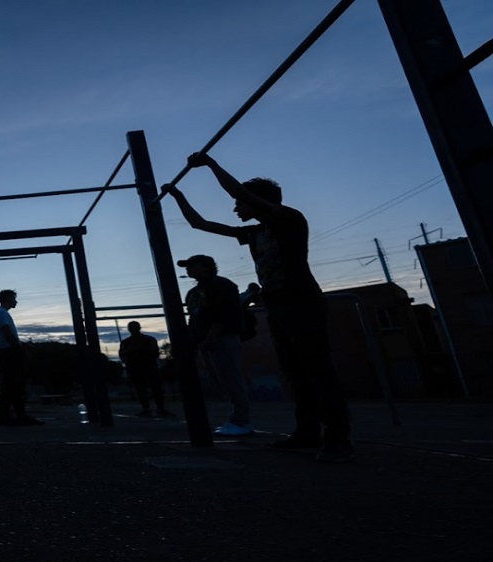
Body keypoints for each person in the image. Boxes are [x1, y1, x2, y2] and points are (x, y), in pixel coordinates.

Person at [163, 152, 352, 463]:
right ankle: (307, 433)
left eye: (242, 203)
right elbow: (200, 224)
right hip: (276, 304)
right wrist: (177, 194)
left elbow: (238, 192)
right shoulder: (253, 233)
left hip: (302, 301)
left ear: (258, 200)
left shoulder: (288, 219)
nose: (236, 207)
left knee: (318, 371)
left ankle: (338, 439)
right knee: (295, 373)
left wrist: (210, 164)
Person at [179, 255, 253, 436]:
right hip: (206, 341)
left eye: (192, 265)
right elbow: (194, 318)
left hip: (221, 338)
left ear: (205, 266)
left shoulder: (221, 285)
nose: (188, 269)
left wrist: (211, 336)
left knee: (231, 380)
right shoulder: (195, 292)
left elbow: (224, 314)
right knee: (223, 381)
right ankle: (236, 419)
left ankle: (241, 422)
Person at [0, 290, 42, 426]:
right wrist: (20, 348)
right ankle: (17, 415)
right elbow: (8, 333)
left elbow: (8, 334)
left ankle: (9, 415)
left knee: (11, 385)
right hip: (10, 352)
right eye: (13, 298)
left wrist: (22, 345)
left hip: (7, 351)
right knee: (15, 384)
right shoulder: (2, 314)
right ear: (7, 299)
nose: (16, 301)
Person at [117, 321, 173, 418]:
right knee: (152, 389)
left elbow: (123, 356)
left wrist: (132, 355)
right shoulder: (149, 339)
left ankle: (149, 409)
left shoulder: (126, 342)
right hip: (148, 368)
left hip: (139, 368)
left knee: (143, 390)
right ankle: (159, 408)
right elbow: (155, 353)